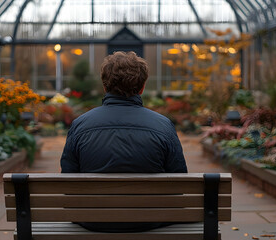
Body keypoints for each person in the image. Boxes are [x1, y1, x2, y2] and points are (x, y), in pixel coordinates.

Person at [60, 51, 187, 232]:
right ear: (142, 87)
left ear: (105, 86)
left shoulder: (80, 125)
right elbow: (178, 183)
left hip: (92, 220)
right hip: (151, 220)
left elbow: (68, 182)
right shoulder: (163, 125)